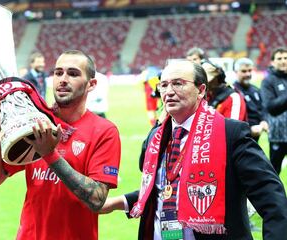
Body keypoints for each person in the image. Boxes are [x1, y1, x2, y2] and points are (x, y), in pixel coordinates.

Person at [101, 60, 287, 239]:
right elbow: (163, 188)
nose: (169, 91)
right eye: (163, 85)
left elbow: (272, 200)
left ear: (201, 90)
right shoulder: (156, 136)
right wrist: (118, 203)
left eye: (178, 84)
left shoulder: (230, 133)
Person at [0, 50, 121, 239]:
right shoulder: (37, 123)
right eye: (58, 73)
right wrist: (1, 131)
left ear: (91, 84)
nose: (63, 79)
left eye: (73, 74)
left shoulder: (104, 131)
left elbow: (97, 199)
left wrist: (50, 154)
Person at [260, 47, 287, 175]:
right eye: (279, 58)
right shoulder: (268, 81)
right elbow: (270, 106)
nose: (283, 61)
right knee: (274, 172)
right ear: (272, 62)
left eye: (286, 58)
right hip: (278, 135)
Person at [233, 58, 268, 142]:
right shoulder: (233, 92)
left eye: (250, 70)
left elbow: (262, 108)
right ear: (236, 72)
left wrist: (264, 120)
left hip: (257, 132)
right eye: (244, 71)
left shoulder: (255, 90)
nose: (248, 74)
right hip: (241, 136)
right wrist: (249, 129)